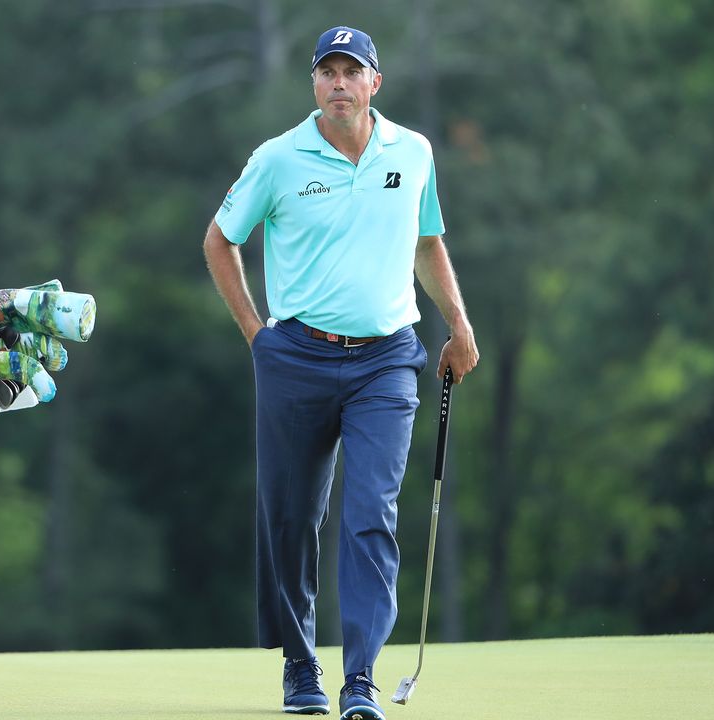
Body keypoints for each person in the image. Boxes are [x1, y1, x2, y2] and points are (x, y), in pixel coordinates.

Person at [202, 26, 479, 720]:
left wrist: (459, 323)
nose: (338, 84)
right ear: (314, 84)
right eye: (327, 72)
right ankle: (301, 667)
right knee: (292, 517)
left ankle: (360, 679)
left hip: (387, 359)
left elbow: (427, 241)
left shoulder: (411, 152)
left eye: (351, 72)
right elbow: (220, 239)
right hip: (295, 355)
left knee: (370, 516)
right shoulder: (277, 159)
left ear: (373, 84)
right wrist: (254, 332)